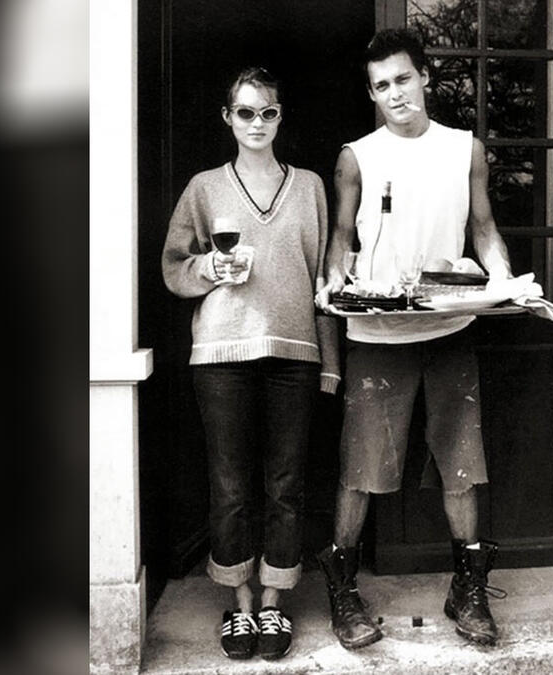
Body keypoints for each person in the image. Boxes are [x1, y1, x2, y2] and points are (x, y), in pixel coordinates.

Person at [315, 28, 515, 648]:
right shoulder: (357, 156)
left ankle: (468, 590)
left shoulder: (464, 149)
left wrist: (506, 280)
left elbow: (483, 227)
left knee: (462, 464)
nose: (395, 93)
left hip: (449, 327)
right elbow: (341, 239)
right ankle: (343, 591)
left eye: (403, 78)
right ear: (372, 94)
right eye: (381, 85)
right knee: (361, 466)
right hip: (378, 333)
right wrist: (333, 283)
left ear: (425, 76)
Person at [162, 66, 340, 661]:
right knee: (231, 487)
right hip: (221, 353)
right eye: (245, 112)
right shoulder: (204, 188)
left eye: (267, 112)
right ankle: (239, 605)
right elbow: (172, 267)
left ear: (281, 117)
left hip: (294, 353)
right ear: (228, 118)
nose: (256, 122)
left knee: (286, 485)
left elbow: (324, 281)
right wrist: (209, 269)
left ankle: (273, 602)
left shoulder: (310, 187)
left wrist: (330, 361)